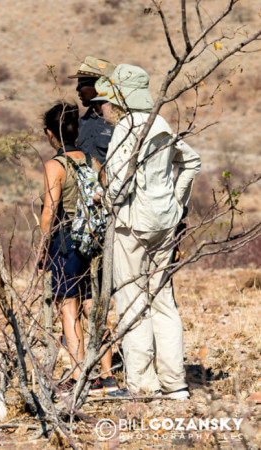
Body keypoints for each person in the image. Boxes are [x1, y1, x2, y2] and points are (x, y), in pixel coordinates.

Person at [93, 64, 201, 399]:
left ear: (120, 99)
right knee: (163, 301)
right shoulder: (161, 122)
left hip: (133, 224)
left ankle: (142, 384)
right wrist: (176, 203)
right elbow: (192, 161)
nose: (102, 108)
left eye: (105, 101)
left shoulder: (127, 127)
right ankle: (175, 384)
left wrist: (104, 200)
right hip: (164, 221)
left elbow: (119, 183)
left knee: (131, 300)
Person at [39, 102, 118, 396]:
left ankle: (78, 374)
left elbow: (50, 211)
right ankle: (108, 376)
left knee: (67, 305)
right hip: (93, 242)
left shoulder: (54, 166)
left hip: (66, 241)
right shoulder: (93, 162)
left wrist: (42, 248)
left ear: (51, 133)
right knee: (93, 306)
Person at [68, 56, 116, 164]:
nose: (77, 89)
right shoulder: (84, 120)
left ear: (99, 85)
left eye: (82, 83)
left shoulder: (119, 120)